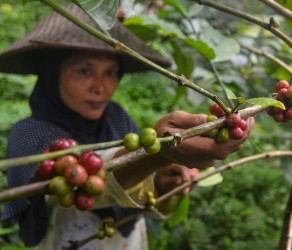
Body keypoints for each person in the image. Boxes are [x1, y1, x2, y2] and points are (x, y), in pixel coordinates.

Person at [0, 4, 254, 250]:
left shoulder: (116, 117)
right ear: (52, 73)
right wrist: (156, 154)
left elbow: (136, 190)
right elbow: (70, 189)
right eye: (84, 71)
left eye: (110, 73)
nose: (100, 86)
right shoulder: (29, 133)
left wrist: (163, 181)